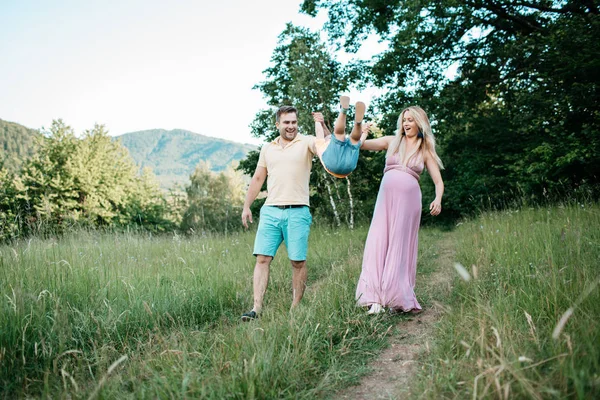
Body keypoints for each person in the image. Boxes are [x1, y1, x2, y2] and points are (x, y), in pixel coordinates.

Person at [356, 106, 444, 314]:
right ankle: (374, 298)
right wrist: (363, 132)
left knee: (399, 245)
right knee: (378, 241)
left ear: (419, 123)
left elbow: (438, 182)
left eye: (411, 120)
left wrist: (438, 199)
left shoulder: (425, 149)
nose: (406, 124)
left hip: (409, 202)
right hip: (385, 199)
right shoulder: (391, 141)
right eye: (404, 120)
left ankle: (395, 297)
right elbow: (360, 146)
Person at [240, 105, 317, 321]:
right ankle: (256, 309)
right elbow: (258, 178)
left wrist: (322, 125)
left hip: (298, 211)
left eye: (294, 122)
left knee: (298, 262)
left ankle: (295, 308)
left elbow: (324, 146)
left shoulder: (307, 142)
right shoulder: (268, 148)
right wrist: (247, 206)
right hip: (271, 211)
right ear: (278, 124)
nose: (291, 126)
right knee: (262, 259)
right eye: (286, 122)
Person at [313, 96, 367, 178]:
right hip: (341, 164)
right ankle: (355, 121)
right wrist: (317, 121)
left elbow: (360, 141)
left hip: (344, 166)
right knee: (339, 134)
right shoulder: (322, 146)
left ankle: (356, 121)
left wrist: (365, 133)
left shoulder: (323, 147)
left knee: (354, 139)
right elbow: (320, 134)